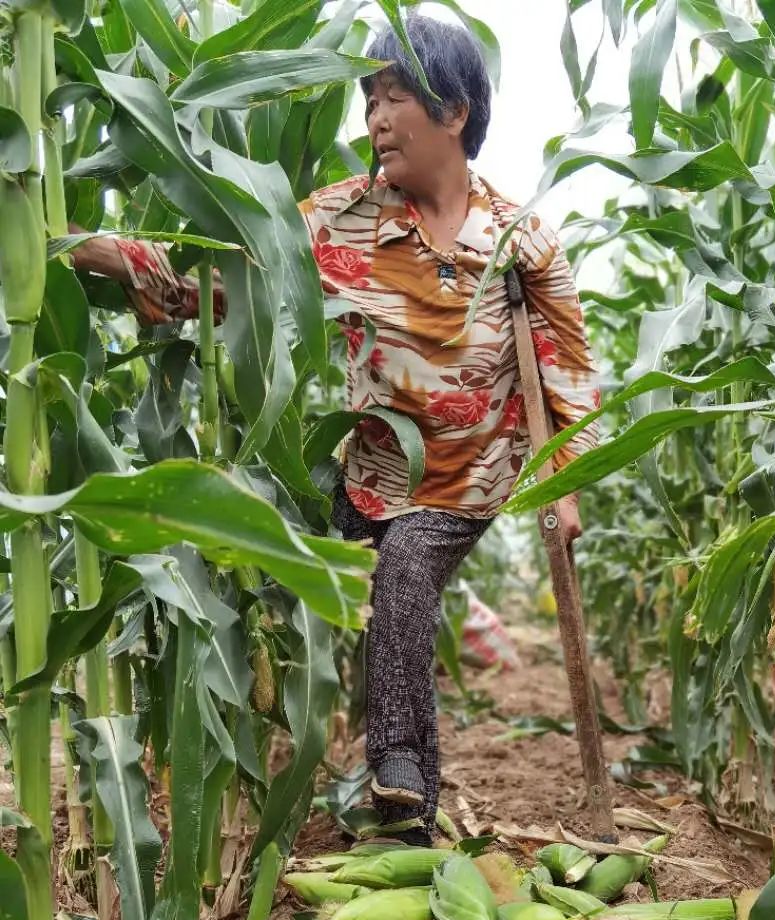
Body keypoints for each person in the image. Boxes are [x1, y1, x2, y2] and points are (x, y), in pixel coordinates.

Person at [72, 15, 600, 842]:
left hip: (468, 474)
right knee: (375, 613)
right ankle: (411, 819)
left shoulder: (519, 239)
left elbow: (566, 371)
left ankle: (395, 766)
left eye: (395, 98)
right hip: (372, 470)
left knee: (405, 576)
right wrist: (122, 256)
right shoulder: (340, 219)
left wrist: (564, 487)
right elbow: (237, 281)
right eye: (369, 100)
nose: (376, 119)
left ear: (455, 112)